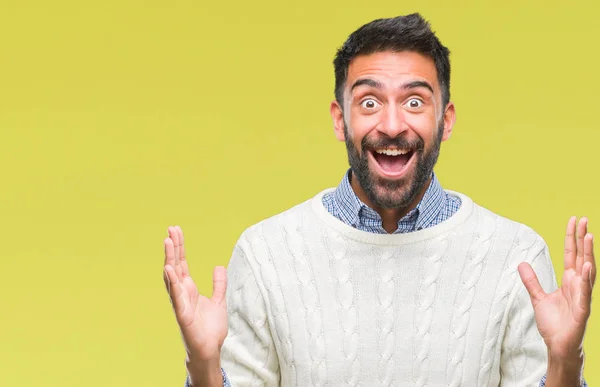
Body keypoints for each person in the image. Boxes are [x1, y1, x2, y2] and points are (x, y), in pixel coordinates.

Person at [162, 13, 595, 387]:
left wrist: (563, 360)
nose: (391, 125)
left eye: (413, 101)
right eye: (369, 101)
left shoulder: (515, 258)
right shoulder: (266, 254)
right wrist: (204, 366)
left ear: (445, 121)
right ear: (339, 119)